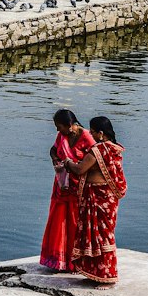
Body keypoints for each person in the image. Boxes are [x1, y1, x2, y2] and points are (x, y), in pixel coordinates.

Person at [70, 116, 127, 285]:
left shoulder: (98, 150)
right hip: (108, 198)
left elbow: (80, 169)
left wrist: (67, 163)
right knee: (103, 234)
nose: (91, 135)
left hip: (98, 196)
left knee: (101, 235)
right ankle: (97, 272)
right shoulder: (115, 149)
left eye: (93, 132)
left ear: (101, 133)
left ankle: (106, 275)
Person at [40, 109, 95, 273]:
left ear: (70, 125)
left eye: (59, 127)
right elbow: (52, 150)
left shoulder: (87, 138)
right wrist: (56, 159)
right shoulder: (62, 137)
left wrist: (72, 165)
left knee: (74, 222)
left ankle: (75, 262)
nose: (58, 130)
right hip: (62, 185)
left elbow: (95, 160)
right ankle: (58, 260)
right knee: (58, 221)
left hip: (78, 187)